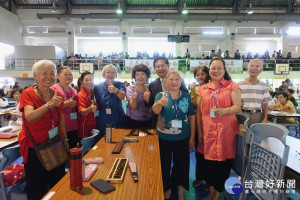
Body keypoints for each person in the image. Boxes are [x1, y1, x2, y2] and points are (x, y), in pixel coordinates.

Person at [18, 60, 68, 200]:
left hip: (55, 143)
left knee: (57, 182)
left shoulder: (55, 93)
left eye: (52, 73)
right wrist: (48, 105)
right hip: (35, 147)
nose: (49, 77)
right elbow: (29, 117)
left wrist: (65, 139)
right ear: (35, 75)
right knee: (37, 187)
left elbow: (60, 118)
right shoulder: (28, 93)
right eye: (44, 73)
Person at [196, 58, 241, 200]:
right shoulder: (202, 89)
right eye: (213, 68)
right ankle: (211, 192)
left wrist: (224, 111)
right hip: (208, 131)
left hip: (225, 132)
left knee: (223, 164)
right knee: (208, 164)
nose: (216, 71)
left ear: (224, 70)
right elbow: (199, 113)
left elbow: (237, 106)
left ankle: (218, 193)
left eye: (219, 68)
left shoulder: (232, 86)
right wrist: (200, 132)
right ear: (209, 70)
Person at [152, 71, 195, 200]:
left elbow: (192, 117)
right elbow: (155, 110)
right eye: (171, 79)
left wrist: (192, 136)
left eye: (177, 79)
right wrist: (160, 103)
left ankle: (180, 189)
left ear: (180, 82)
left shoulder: (187, 97)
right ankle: (167, 188)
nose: (174, 82)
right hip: (164, 137)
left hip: (182, 137)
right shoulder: (161, 95)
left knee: (181, 164)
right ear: (166, 81)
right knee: (164, 164)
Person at [148, 57, 188, 128]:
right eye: (157, 67)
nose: (160, 69)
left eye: (162, 66)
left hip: (177, 119)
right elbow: (151, 104)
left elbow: (186, 97)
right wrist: (147, 99)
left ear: (168, 66)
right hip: (160, 123)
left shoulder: (178, 81)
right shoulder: (152, 85)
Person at [189, 66, 209, 188]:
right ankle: (200, 177)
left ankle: (210, 180)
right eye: (197, 75)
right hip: (198, 126)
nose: (200, 77)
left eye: (203, 74)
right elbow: (195, 108)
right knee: (199, 153)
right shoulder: (195, 90)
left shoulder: (211, 89)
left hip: (209, 126)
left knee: (210, 154)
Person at [94, 64, 126, 139]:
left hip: (117, 115)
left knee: (118, 138)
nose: (110, 74)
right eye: (108, 72)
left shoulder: (120, 84)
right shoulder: (97, 86)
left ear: (115, 74)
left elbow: (122, 96)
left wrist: (116, 91)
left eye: (113, 72)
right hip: (103, 117)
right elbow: (96, 102)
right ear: (104, 74)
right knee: (103, 139)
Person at [51, 66, 78, 148]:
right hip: (60, 128)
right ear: (57, 76)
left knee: (73, 150)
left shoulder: (74, 90)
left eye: (70, 74)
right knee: (61, 153)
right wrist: (66, 104)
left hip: (74, 126)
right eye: (65, 74)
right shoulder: (53, 89)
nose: (68, 76)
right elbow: (50, 107)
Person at [238, 59, 271, 126]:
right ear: (247, 69)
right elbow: (237, 104)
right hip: (243, 114)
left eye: (257, 66)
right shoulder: (239, 85)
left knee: (258, 136)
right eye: (252, 66)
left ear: (261, 70)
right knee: (243, 136)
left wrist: (265, 119)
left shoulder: (263, 86)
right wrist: (240, 120)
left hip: (258, 115)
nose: (254, 68)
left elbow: (265, 105)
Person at [77, 71, 98, 143]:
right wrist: (90, 108)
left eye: (91, 80)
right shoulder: (81, 95)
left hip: (93, 126)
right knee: (85, 151)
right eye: (86, 80)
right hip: (84, 128)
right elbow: (82, 112)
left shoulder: (94, 93)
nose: (89, 82)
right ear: (82, 82)